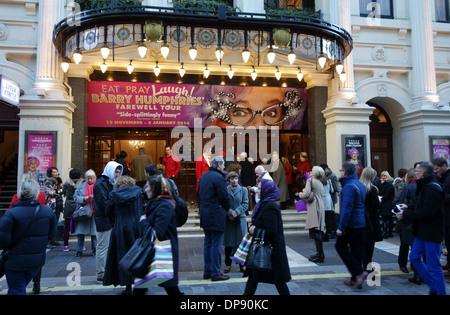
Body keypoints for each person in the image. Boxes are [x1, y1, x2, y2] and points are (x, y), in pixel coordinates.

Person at [0, 176, 57, 295]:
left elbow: (2, 240)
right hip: (36, 261)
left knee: (17, 289)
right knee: (18, 288)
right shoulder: (47, 212)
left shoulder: (11, 214)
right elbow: (52, 235)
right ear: (36, 193)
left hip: (15, 260)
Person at [396, 161, 446, 295]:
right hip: (421, 231)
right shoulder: (424, 186)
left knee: (434, 265)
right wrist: (408, 207)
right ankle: (434, 285)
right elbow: (420, 204)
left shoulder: (432, 188)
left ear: (423, 173)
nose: (415, 173)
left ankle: (439, 291)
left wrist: (405, 214)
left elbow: (428, 212)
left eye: (417, 171)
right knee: (414, 258)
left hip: (431, 232)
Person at [244, 180, 291, 295]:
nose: (257, 190)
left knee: (278, 281)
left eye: (259, 188)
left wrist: (256, 230)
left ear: (266, 190)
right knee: (253, 279)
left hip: (271, 251)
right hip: (263, 249)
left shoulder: (269, 206)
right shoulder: (264, 203)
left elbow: (272, 231)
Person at [139, 175, 183, 295]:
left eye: (147, 186)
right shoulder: (154, 203)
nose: (145, 189)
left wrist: (143, 222)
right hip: (154, 252)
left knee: (171, 287)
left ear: (155, 189)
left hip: (163, 253)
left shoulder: (164, 206)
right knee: (142, 286)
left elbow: (157, 233)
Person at [103, 176, 143, 294]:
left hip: (119, 228)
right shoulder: (138, 192)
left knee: (122, 255)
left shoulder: (113, 194)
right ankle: (140, 285)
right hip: (136, 227)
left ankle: (127, 286)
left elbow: (107, 211)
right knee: (138, 256)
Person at [198, 156, 231, 281]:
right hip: (216, 213)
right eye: (223, 165)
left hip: (205, 213)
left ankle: (207, 271)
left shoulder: (203, 176)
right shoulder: (219, 177)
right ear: (218, 165)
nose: (224, 167)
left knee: (208, 243)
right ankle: (216, 272)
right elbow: (224, 197)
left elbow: (199, 196)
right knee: (216, 244)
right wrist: (228, 208)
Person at [335, 162, 367, 289]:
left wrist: (341, 228)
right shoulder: (359, 184)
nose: (340, 172)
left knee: (340, 246)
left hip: (351, 223)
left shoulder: (348, 187)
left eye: (341, 170)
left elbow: (346, 209)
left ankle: (358, 272)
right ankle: (356, 280)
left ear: (345, 172)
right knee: (356, 250)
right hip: (360, 222)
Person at [93, 161, 123, 284]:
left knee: (107, 246)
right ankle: (101, 274)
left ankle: (107, 271)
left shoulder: (110, 183)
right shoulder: (101, 184)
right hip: (103, 219)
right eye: (115, 171)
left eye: (118, 172)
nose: (117, 174)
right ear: (109, 170)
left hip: (109, 219)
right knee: (103, 247)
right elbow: (104, 204)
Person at [298, 166, 326, 263]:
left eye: (312, 171)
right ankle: (320, 253)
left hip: (314, 206)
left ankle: (320, 254)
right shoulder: (320, 182)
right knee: (318, 230)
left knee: (315, 230)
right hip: (320, 205)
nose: (310, 172)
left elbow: (306, 194)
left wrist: (300, 194)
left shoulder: (310, 180)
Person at [223, 171, 248, 274]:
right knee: (229, 244)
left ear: (238, 179)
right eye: (232, 179)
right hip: (229, 220)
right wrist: (230, 212)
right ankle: (228, 265)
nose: (234, 180)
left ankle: (242, 265)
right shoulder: (225, 190)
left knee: (241, 243)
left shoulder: (243, 190)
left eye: (235, 178)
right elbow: (223, 203)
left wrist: (236, 212)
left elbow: (245, 204)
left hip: (240, 219)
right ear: (228, 180)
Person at [394, 168, 417, 275]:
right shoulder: (405, 188)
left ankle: (407, 264)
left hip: (407, 219)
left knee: (408, 244)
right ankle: (405, 264)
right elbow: (397, 202)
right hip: (406, 220)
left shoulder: (407, 187)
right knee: (406, 244)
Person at [359, 167, 383, 272]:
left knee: (362, 245)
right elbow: (375, 206)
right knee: (369, 246)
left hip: (360, 219)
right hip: (371, 220)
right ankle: (367, 267)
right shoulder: (372, 189)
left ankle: (364, 266)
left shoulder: (358, 187)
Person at [73, 169, 98, 258]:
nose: (90, 180)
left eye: (91, 178)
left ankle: (95, 250)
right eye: (88, 178)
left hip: (94, 212)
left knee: (94, 234)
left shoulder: (98, 185)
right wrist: (85, 198)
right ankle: (79, 251)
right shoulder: (81, 185)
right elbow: (75, 197)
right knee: (80, 233)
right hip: (83, 212)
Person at [432, 158, 450, 273]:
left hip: (448, 215)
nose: (436, 171)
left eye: (437, 169)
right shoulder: (442, 178)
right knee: (448, 241)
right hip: (445, 216)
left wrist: (442, 197)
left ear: (444, 165)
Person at [62, 168, 83, 252]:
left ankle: (66, 245)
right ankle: (81, 244)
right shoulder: (82, 183)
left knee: (67, 226)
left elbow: (63, 192)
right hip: (78, 204)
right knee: (80, 225)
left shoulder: (67, 184)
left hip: (69, 204)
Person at [379, 171, 395, 238]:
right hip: (384, 203)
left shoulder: (390, 185)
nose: (383, 177)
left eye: (385, 176)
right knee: (386, 218)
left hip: (388, 203)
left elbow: (386, 195)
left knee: (388, 218)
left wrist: (381, 198)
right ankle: (387, 231)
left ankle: (387, 232)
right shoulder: (381, 184)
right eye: (382, 176)